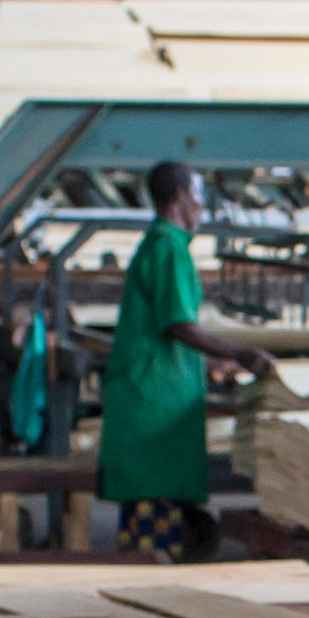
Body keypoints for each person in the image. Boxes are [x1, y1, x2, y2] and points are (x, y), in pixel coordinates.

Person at [96, 159, 276, 561]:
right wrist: (242, 354)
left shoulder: (162, 244)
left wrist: (214, 366)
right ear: (180, 197)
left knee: (159, 499)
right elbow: (179, 325)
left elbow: (167, 328)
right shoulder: (168, 246)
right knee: (152, 500)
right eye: (199, 197)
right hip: (154, 397)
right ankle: (149, 582)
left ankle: (157, 567)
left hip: (157, 388)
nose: (202, 208)